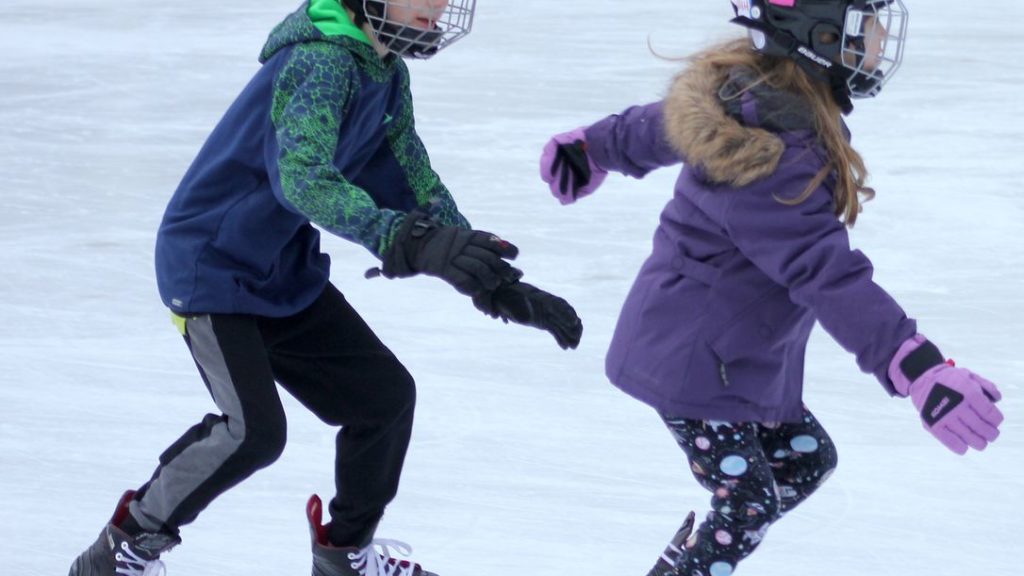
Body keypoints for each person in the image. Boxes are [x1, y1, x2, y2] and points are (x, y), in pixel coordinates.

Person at [69, 2, 582, 576]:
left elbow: (412, 181)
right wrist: (399, 238)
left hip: (281, 269)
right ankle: (124, 548)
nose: (437, 5)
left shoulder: (385, 74)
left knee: (383, 402)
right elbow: (304, 179)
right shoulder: (319, 63)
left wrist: (487, 276)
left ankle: (342, 557)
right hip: (212, 266)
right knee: (254, 432)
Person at [538, 1, 1003, 575]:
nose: (880, 45)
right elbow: (827, 276)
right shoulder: (773, 161)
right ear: (820, 36)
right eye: (868, 30)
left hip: (728, 352)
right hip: (693, 362)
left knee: (805, 463)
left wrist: (596, 146)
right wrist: (917, 367)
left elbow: (663, 125)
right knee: (749, 504)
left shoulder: (753, 99)